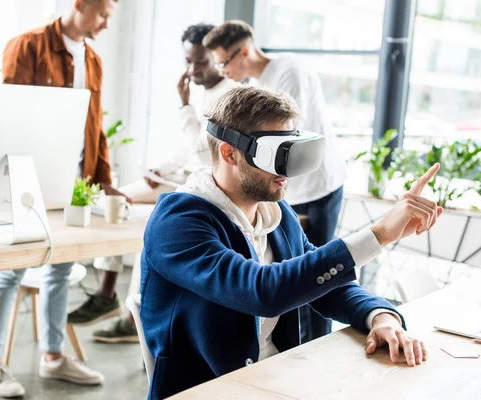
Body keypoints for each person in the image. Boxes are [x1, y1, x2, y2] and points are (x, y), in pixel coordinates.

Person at [140, 86, 442, 399]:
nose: (287, 169)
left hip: (277, 379)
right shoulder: (178, 221)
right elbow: (261, 291)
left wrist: (380, 317)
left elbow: (327, 283)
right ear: (229, 152)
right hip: (209, 389)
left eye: (292, 149)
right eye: (274, 154)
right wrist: (380, 234)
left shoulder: (276, 213)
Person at [0, 1, 124, 397]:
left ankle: (54, 358)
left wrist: (104, 179)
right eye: (103, 14)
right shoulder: (28, 45)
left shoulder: (92, 59)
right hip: (28, 177)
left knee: (60, 266)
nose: (107, 24)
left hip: (73, 179)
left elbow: (95, 126)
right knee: (10, 269)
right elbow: (8, 112)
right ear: (80, 4)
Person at [68, 23, 237, 344]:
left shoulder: (229, 94)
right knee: (115, 201)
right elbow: (188, 147)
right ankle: (106, 293)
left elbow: (203, 152)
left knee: (153, 229)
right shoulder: (203, 92)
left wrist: (184, 105)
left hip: (202, 186)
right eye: (188, 61)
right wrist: (160, 168)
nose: (192, 69)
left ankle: (134, 321)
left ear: (217, 58)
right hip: (177, 175)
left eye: (200, 61)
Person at [203, 20, 348, 342]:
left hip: (317, 187)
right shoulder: (256, 81)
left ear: (244, 51)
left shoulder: (288, 73)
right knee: (293, 273)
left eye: (224, 62)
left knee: (316, 276)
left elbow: (285, 147)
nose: (222, 71)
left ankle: (316, 346)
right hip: (284, 189)